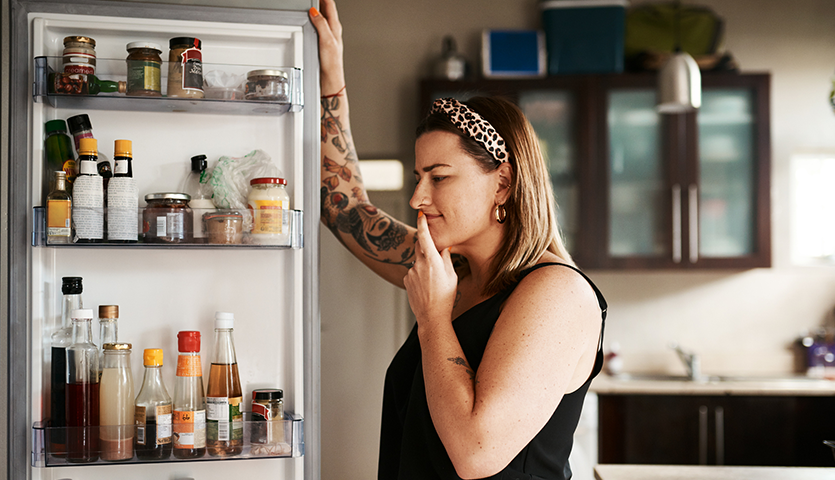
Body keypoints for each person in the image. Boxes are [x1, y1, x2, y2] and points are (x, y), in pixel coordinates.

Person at [310, 1, 607, 478]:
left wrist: (433, 318)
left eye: (440, 177)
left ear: (504, 183)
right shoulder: (451, 270)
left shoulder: (557, 294)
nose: (417, 197)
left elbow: (475, 453)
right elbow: (343, 209)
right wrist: (330, 78)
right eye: (417, 176)